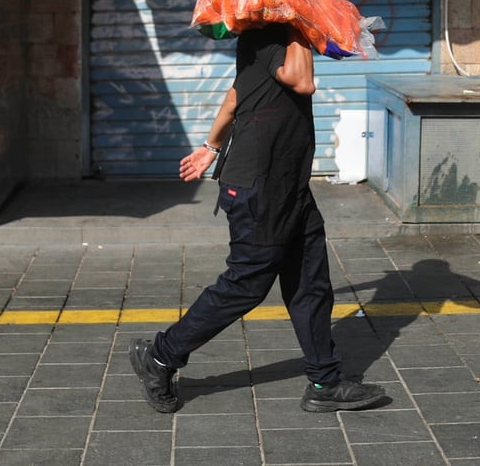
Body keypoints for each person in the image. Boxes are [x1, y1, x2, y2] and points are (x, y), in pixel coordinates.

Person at [129, 22, 386, 414]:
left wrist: (210, 147)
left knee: (309, 285)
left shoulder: (268, 38)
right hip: (261, 189)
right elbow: (301, 82)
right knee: (246, 285)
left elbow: (237, 94)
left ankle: (325, 382)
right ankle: (161, 356)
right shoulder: (268, 34)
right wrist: (300, 28)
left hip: (289, 188)